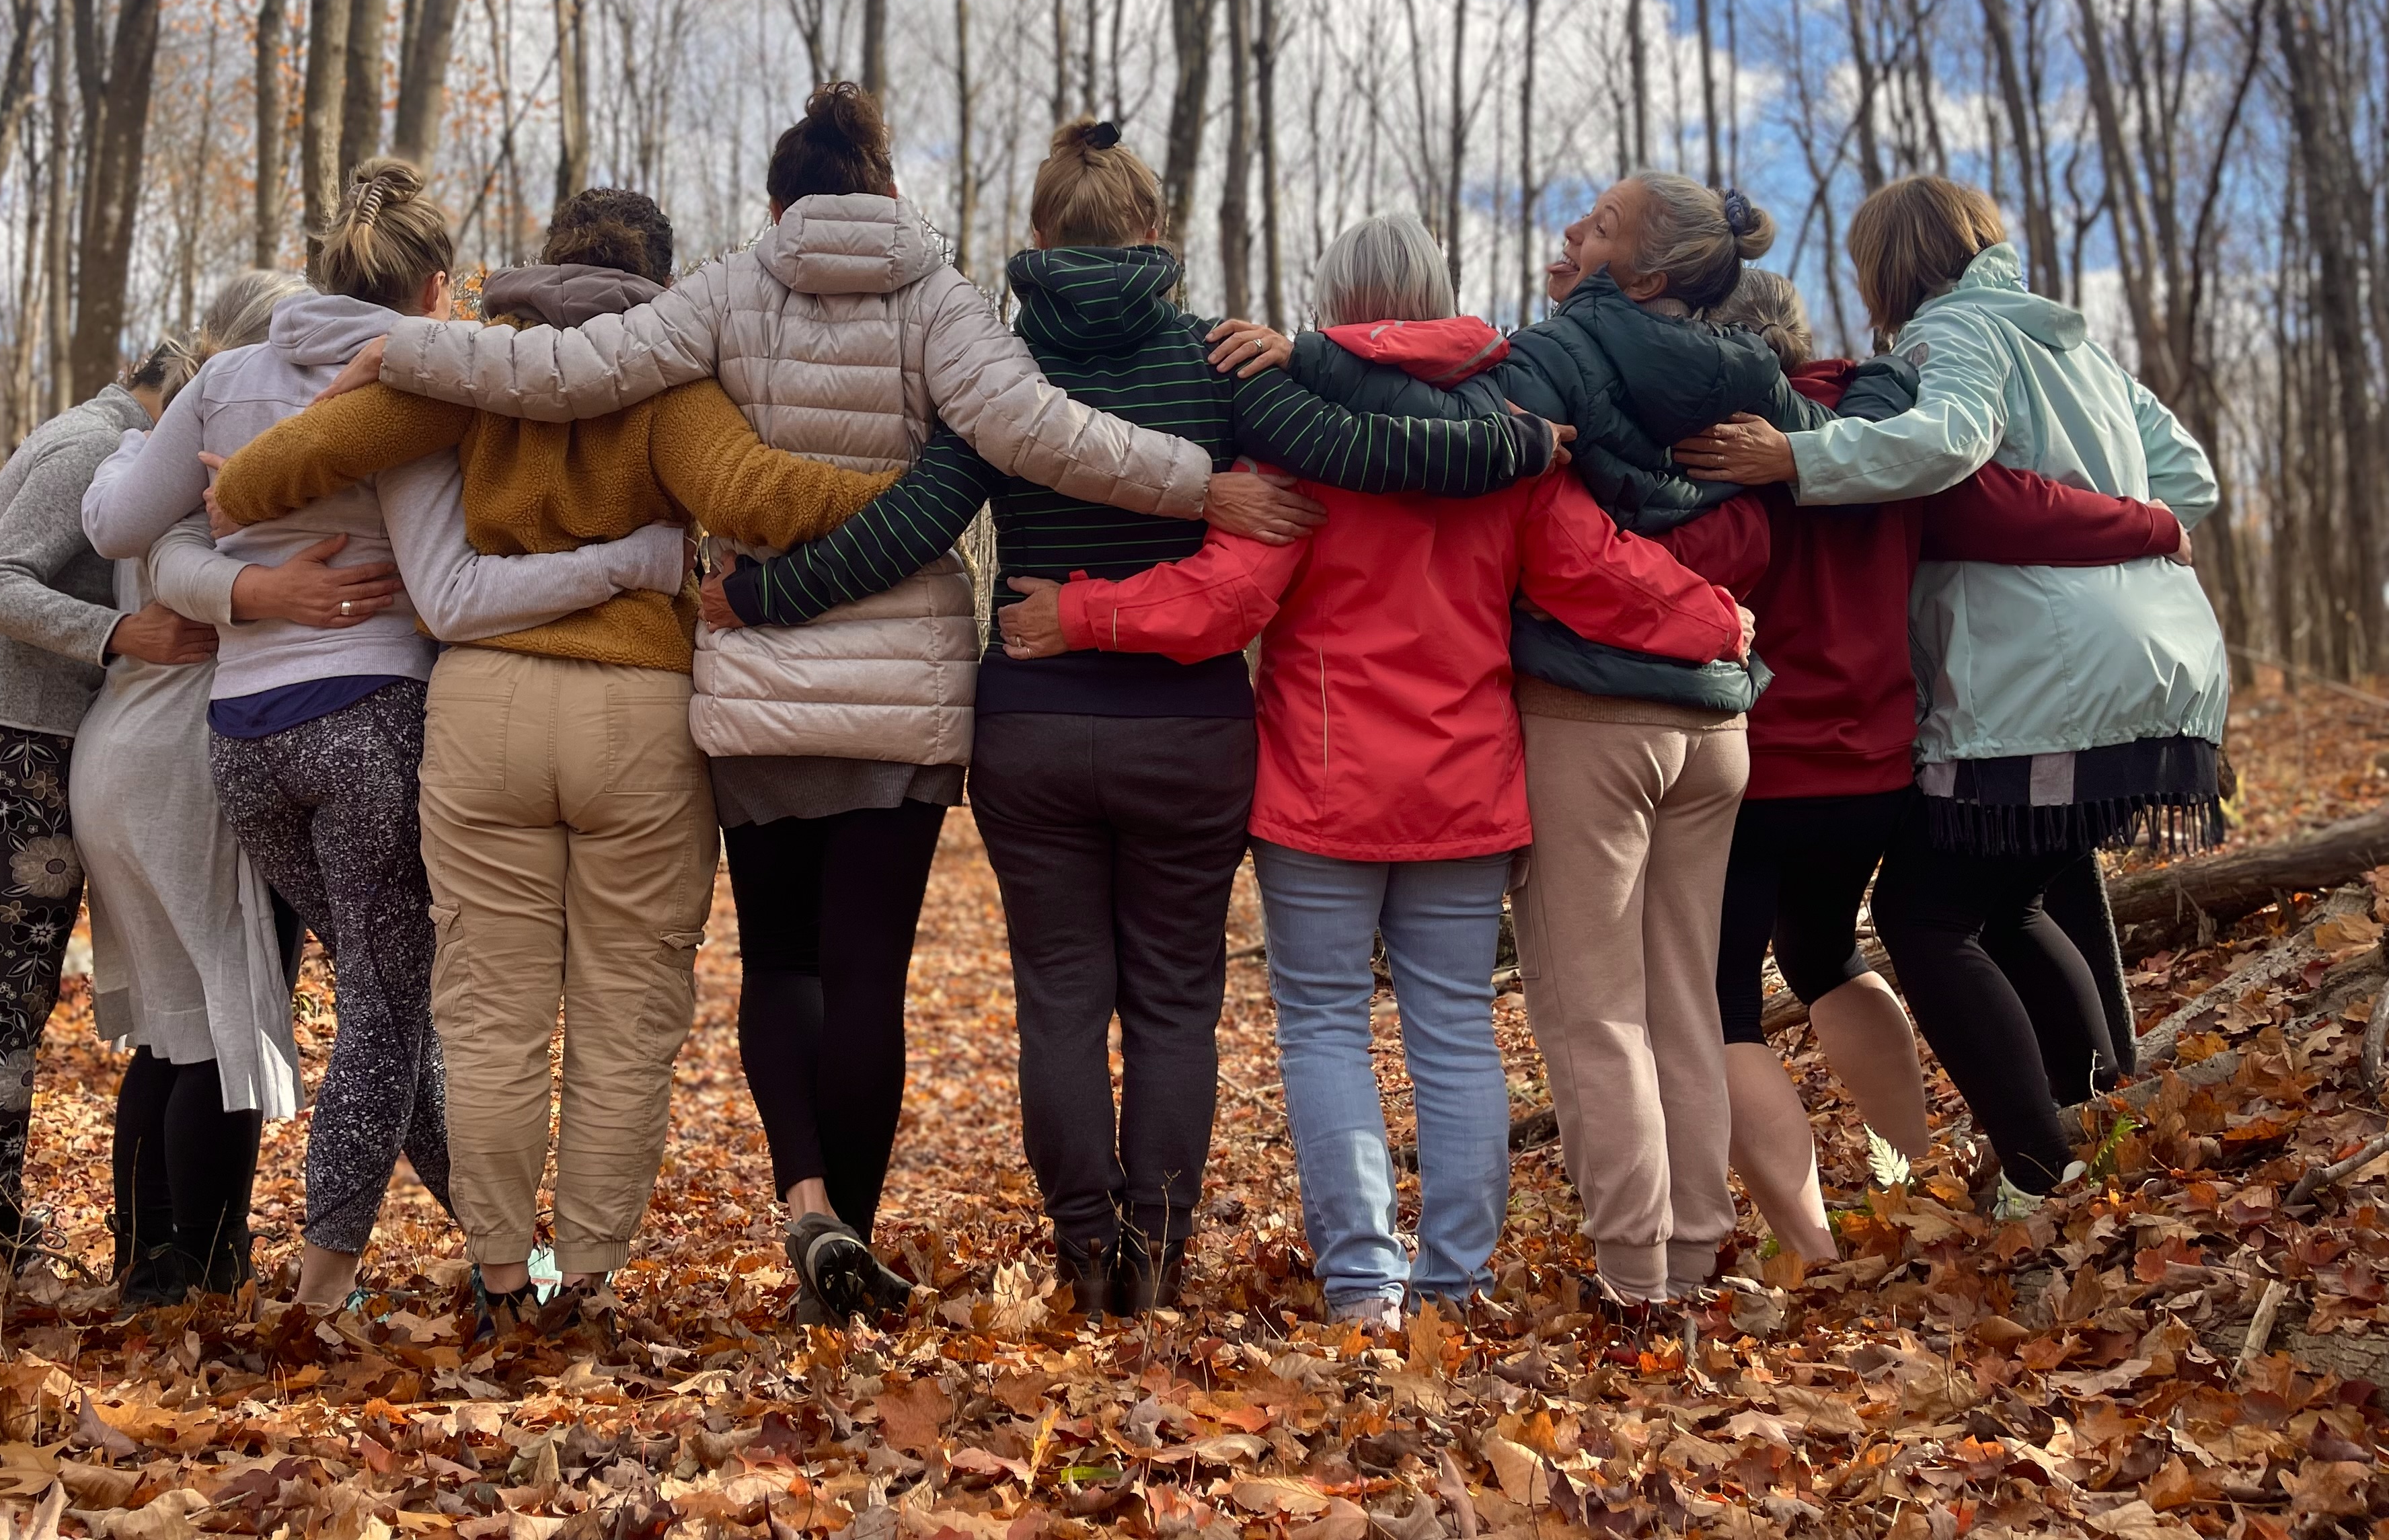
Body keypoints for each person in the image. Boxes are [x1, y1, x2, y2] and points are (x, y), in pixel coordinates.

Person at [304, 86, 1317, 1321]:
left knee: (779, 965)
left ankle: (796, 1209)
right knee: (868, 981)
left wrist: (416, 346)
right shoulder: (943, 300)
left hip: (758, 681)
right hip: (903, 697)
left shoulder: (733, 288)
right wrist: (1199, 487)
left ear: (779, 204)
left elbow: (573, 369)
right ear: (888, 195)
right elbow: (1036, 433)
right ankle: (855, 1244)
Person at [703, 128, 1553, 1316]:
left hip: (1034, 728)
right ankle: (1157, 1248)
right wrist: (1521, 437)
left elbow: (914, 523)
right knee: (1172, 1000)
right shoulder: (1223, 363)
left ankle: (1083, 1244)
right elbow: (1363, 455)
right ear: (1156, 236)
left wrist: (758, 594)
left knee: (1060, 994)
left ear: (1041, 238)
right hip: (1191, 733)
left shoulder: (998, 365)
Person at [989, 209, 1751, 1332]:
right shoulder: (1509, 434)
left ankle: (1365, 1290)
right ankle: (1458, 1281)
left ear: (1330, 303)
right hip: (1465, 784)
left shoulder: (1300, 427)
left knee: (1326, 1030)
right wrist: (1718, 618)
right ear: (1441, 292)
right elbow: (1604, 577)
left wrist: (1082, 611)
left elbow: (1226, 601)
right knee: (1452, 1029)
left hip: (1320, 787)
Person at [206, 188, 905, 1334]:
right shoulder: (670, 384)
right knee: (628, 1007)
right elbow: (757, 497)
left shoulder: (480, 366)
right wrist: (915, 495)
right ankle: (580, 1279)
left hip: (484, 715)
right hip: (639, 719)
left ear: (536, 264)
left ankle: (497, 1277)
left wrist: (239, 487)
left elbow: (303, 456)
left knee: (487, 1008)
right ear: (666, 280)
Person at [81, 159, 673, 1307]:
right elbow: (451, 598)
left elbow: (120, 526)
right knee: (391, 1013)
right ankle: (322, 1285)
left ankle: (511, 1255)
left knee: (386, 1003)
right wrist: (626, 564)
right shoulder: (414, 394)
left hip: (244, 746)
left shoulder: (228, 380)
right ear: (440, 288)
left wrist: (211, 529)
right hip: (369, 729)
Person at [1676, 176, 2228, 1217]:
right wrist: (2135, 526)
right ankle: (2091, 1128)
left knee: (1927, 913)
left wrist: (1795, 456)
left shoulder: (1947, 340)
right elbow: (2187, 480)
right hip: (2162, 667)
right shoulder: (2075, 348)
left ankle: (2037, 1166)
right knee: (2003, 902)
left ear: (1888, 267)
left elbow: (1949, 463)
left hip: (2048, 689)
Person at [0, 351, 219, 1278]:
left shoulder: (93, 437)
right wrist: (120, 634)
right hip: (10, 738)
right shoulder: (95, 446)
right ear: (173, 385)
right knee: (2, 999)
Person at [74, 270, 315, 1307]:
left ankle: (150, 1258)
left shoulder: (137, 454)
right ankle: (202, 1267)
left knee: (174, 1023)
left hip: (116, 744)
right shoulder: (238, 455)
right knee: (226, 1022)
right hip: (184, 746)